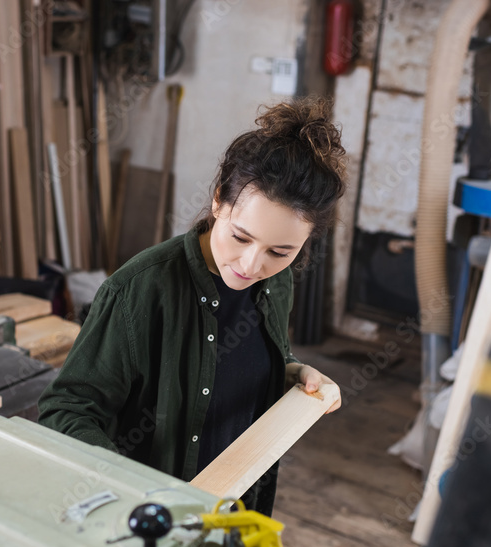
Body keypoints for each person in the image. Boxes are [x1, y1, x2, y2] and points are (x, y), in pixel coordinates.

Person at [38, 98, 344, 515]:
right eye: (240, 237)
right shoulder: (140, 291)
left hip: (234, 509)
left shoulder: (276, 282)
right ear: (218, 200)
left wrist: (291, 370)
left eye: (281, 250)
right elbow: (66, 410)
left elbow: (241, 362)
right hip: (149, 521)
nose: (252, 265)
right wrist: (130, 490)